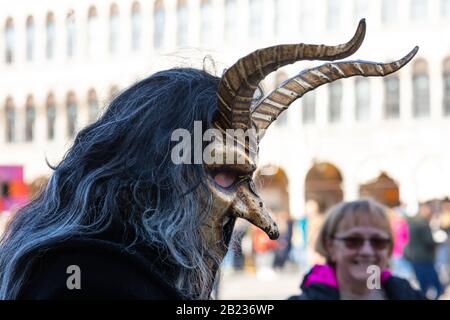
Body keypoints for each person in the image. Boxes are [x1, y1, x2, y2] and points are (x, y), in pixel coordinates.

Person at [0, 20, 416, 299]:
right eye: (222, 176)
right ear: (155, 171)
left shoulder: (131, 268)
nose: (262, 221)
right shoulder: (86, 277)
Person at [289, 199, 425, 300]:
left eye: (378, 242)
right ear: (330, 246)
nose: (367, 251)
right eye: (353, 241)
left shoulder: (407, 294)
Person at [404, 203, 444, 299]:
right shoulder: (422, 223)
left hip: (415, 258)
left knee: (423, 286)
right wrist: (439, 242)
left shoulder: (412, 222)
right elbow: (428, 241)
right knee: (436, 286)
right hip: (424, 258)